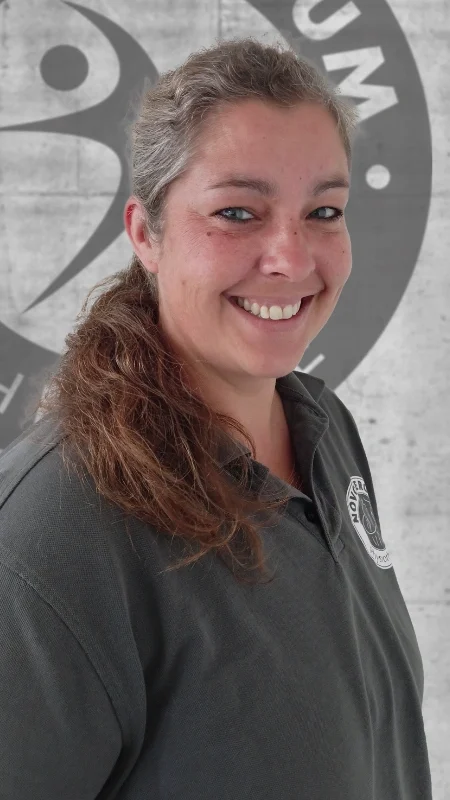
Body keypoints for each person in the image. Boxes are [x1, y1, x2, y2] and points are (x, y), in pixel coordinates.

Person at [0, 38, 432, 800]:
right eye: (237, 212)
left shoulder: (325, 429)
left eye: (324, 212)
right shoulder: (53, 532)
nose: (291, 257)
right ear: (146, 234)